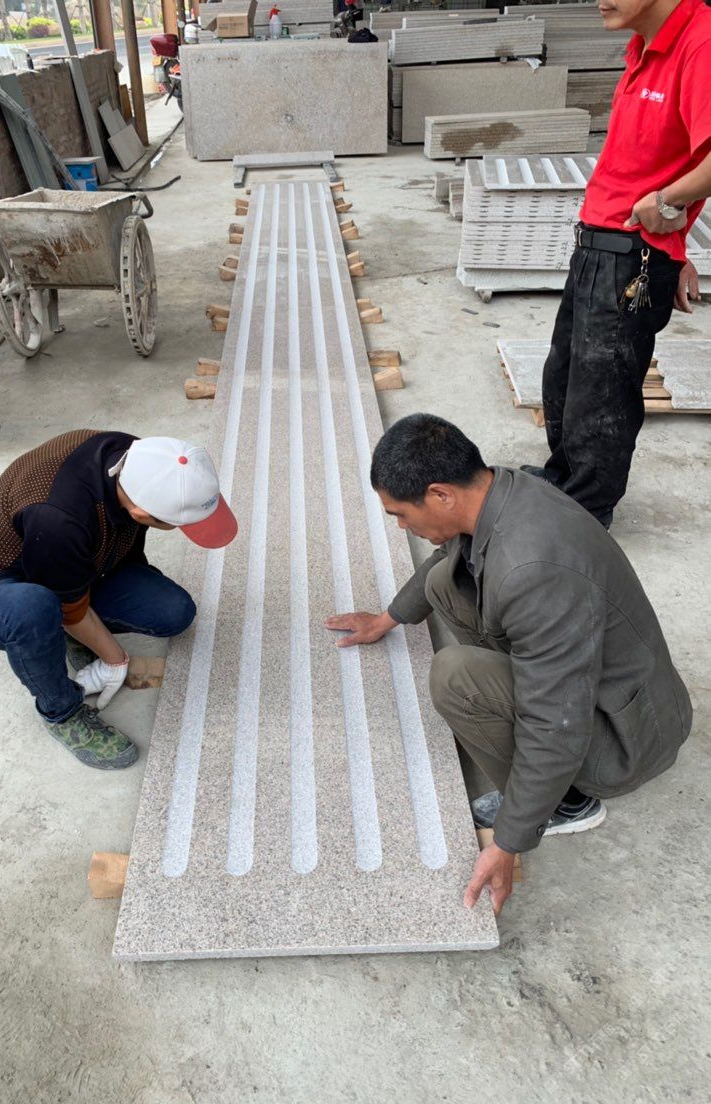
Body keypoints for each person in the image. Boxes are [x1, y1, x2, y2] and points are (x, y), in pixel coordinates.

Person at [326, 414, 692, 914]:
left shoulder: (534, 570)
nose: (401, 527)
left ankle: (567, 804)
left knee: (455, 677)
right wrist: (387, 620)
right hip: (607, 687)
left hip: (625, 739)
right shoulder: (499, 491)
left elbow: (556, 721)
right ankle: (539, 767)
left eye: (401, 514)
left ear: (440, 494)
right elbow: (444, 556)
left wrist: (508, 840)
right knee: (444, 582)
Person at [0, 431, 237, 770]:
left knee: (174, 611)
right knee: (34, 610)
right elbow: (68, 607)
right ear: (142, 513)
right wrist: (115, 660)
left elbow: (122, 547)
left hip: (63, 565)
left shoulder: (139, 461)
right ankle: (61, 713)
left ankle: (68, 624)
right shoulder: (59, 516)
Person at [530, 0, 711, 527]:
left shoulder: (699, 43)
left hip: (629, 255)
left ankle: (585, 516)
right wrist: (680, 251)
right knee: (564, 380)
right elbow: (660, 157)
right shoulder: (642, 46)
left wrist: (668, 207)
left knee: (600, 397)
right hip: (600, 245)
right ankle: (564, 483)